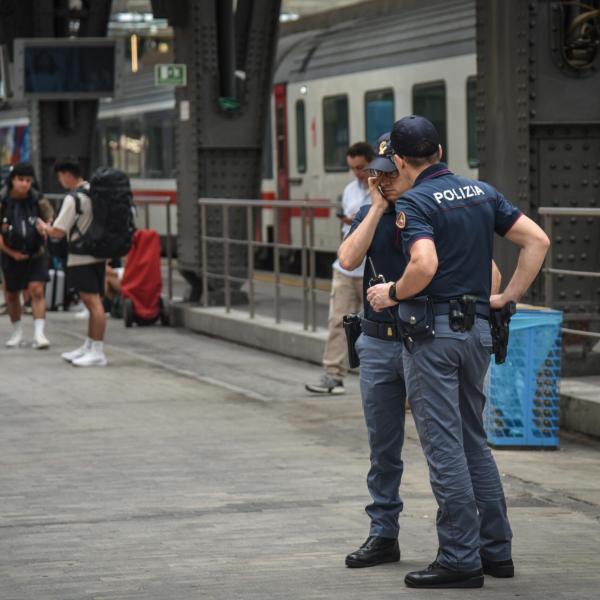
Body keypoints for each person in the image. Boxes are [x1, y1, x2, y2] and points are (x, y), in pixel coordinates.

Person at [367, 115, 550, 589]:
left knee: (444, 447)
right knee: (474, 442)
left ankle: (459, 558)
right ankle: (496, 551)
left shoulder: (415, 201)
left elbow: (424, 264)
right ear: (442, 152)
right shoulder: (482, 192)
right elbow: (537, 240)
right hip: (479, 333)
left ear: (402, 161)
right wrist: (507, 297)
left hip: (435, 336)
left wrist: (393, 293)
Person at [337, 133, 411, 567]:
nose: (382, 181)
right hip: (379, 343)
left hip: (424, 341)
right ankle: (383, 533)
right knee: (383, 448)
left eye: (389, 174)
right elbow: (348, 258)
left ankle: (460, 536)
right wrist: (379, 207)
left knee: (447, 445)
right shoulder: (371, 210)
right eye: (377, 175)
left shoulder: (435, 210)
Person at [305, 142, 374, 395]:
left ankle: (384, 379)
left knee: (378, 328)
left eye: (361, 167)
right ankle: (333, 375)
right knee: (337, 321)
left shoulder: (383, 189)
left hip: (372, 270)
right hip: (345, 269)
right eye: (353, 168)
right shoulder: (349, 190)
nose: (357, 173)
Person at [37, 157, 108, 367]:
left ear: (67, 174)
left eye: (60, 176)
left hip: (80, 256)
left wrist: (43, 228)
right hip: (97, 254)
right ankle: (90, 345)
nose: (60, 181)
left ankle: (97, 351)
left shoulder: (74, 199)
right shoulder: (93, 191)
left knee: (92, 303)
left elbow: (58, 231)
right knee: (94, 301)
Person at [0, 162, 54, 348]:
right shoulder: (3, 200)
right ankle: (17, 333)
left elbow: (49, 218)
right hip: (10, 254)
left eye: (28, 180)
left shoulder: (37, 199)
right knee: (13, 294)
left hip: (36, 253)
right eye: (21, 180)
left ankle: (39, 334)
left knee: (37, 290)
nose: (25, 184)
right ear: (13, 180)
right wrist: (11, 253)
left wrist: (45, 227)